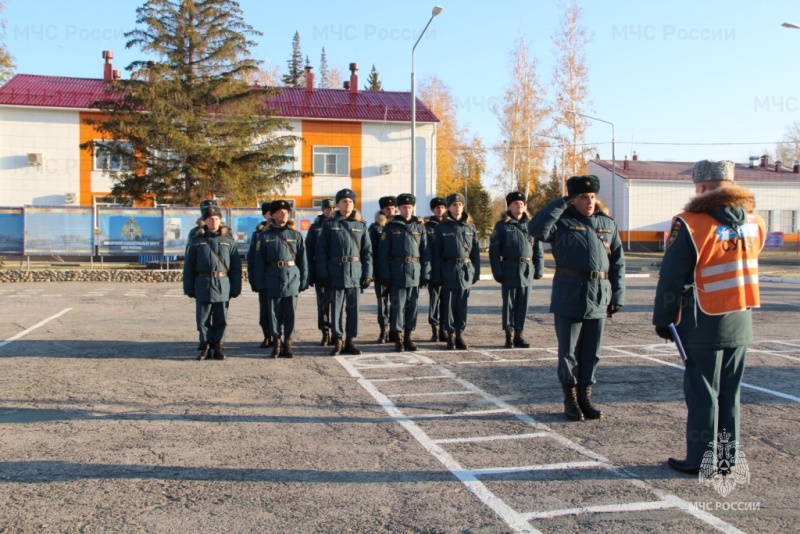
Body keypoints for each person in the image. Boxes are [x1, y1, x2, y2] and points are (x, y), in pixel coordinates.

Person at [653, 160, 765, 475]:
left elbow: (672, 277)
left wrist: (663, 317)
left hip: (703, 319)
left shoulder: (690, 223)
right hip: (741, 318)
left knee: (703, 392)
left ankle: (701, 459)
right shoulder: (754, 221)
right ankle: (726, 459)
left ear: (701, 187)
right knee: (730, 393)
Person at [528, 175, 625, 421]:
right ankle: (570, 400)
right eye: (583, 197)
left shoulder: (608, 224)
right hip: (569, 293)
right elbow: (536, 229)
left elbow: (618, 263)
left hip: (599, 294)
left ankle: (585, 397)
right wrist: (561, 203)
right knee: (568, 351)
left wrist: (617, 294)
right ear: (573, 199)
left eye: (592, 197)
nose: (589, 201)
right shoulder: (561, 222)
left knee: (592, 351)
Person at [316, 188, 373, 356]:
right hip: (335, 272)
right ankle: (338, 340)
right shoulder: (329, 224)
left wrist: (368, 274)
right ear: (338, 205)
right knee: (336, 310)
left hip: (355, 273)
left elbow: (367, 252)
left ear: (353, 204)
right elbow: (321, 251)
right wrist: (323, 274)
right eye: (343, 201)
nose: (347, 204)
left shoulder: (361, 225)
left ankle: (350, 341)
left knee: (353, 309)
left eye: (350, 202)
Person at [183, 204, 242, 361]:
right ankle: (205, 345)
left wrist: (236, 287)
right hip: (202, 282)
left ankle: (218, 345)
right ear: (204, 221)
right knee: (202, 318)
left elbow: (235, 267)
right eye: (210, 219)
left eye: (216, 219)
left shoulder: (228, 241)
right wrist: (188, 287)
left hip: (223, 282)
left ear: (220, 221)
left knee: (221, 318)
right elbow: (189, 266)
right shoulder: (196, 242)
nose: (214, 221)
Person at [252, 200, 308, 358]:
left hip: (291, 277)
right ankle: (276, 342)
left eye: (285, 211)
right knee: (274, 312)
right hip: (272, 277)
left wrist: (303, 280)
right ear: (273, 215)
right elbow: (259, 262)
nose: (283, 213)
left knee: (290, 313)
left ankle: (288, 342)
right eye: (279, 211)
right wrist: (259, 282)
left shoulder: (296, 235)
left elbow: (303, 260)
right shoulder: (265, 236)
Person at [489, 191, 545, 348]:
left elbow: (538, 249)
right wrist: (497, 271)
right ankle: (509, 334)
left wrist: (539, 268)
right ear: (509, 206)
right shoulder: (502, 226)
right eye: (516, 203)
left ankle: (519, 334)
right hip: (509, 268)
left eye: (522, 203)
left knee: (523, 303)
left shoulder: (532, 225)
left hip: (527, 269)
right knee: (509, 304)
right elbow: (494, 251)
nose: (519, 205)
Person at [378, 193, 430, 352]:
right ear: (398, 209)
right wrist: (385, 274)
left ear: (413, 208)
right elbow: (383, 254)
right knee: (397, 307)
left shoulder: (420, 228)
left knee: (412, 306)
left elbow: (426, 253)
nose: (407, 210)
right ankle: (398, 338)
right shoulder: (390, 228)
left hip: (414, 271)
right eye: (404, 207)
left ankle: (408, 337)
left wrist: (426, 274)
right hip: (397, 271)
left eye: (409, 207)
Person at [431, 193, 481, 350]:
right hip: (448, 269)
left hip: (465, 270)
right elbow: (436, 255)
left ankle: (460, 334)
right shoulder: (441, 229)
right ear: (449, 208)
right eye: (454, 204)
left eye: (460, 204)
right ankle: (450, 335)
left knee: (462, 305)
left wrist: (476, 273)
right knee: (449, 305)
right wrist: (437, 275)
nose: (457, 207)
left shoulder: (470, 228)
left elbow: (475, 254)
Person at [306, 198, 335, 346]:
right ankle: (325, 332)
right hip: (320, 271)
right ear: (323, 210)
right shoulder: (316, 227)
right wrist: (310, 274)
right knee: (323, 303)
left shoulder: (339, 224)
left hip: (336, 270)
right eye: (327, 208)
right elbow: (309, 252)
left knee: (337, 304)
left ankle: (336, 332)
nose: (330, 211)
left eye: (332, 208)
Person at [368, 196, 396, 343]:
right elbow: (371, 251)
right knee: (382, 303)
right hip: (381, 271)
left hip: (397, 270)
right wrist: (372, 272)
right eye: (387, 208)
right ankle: (383, 329)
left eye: (392, 208)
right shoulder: (375, 227)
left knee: (397, 302)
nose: (390, 211)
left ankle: (394, 330)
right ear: (382, 210)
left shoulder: (399, 225)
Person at [246, 202, 274, 349]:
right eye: (270, 212)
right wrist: (253, 279)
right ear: (265, 215)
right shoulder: (258, 234)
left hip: (277, 277)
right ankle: (267, 335)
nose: (272, 215)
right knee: (264, 310)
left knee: (279, 309)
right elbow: (251, 258)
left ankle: (278, 336)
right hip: (263, 277)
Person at [424, 197, 448, 342]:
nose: (440, 210)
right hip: (433, 269)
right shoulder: (427, 227)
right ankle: (434, 328)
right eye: (437, 207)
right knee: (434, 301)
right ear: (433, 210)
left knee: (446, 301)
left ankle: (443, 328)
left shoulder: (449, 225)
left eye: (442, 207)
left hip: (447, 269)